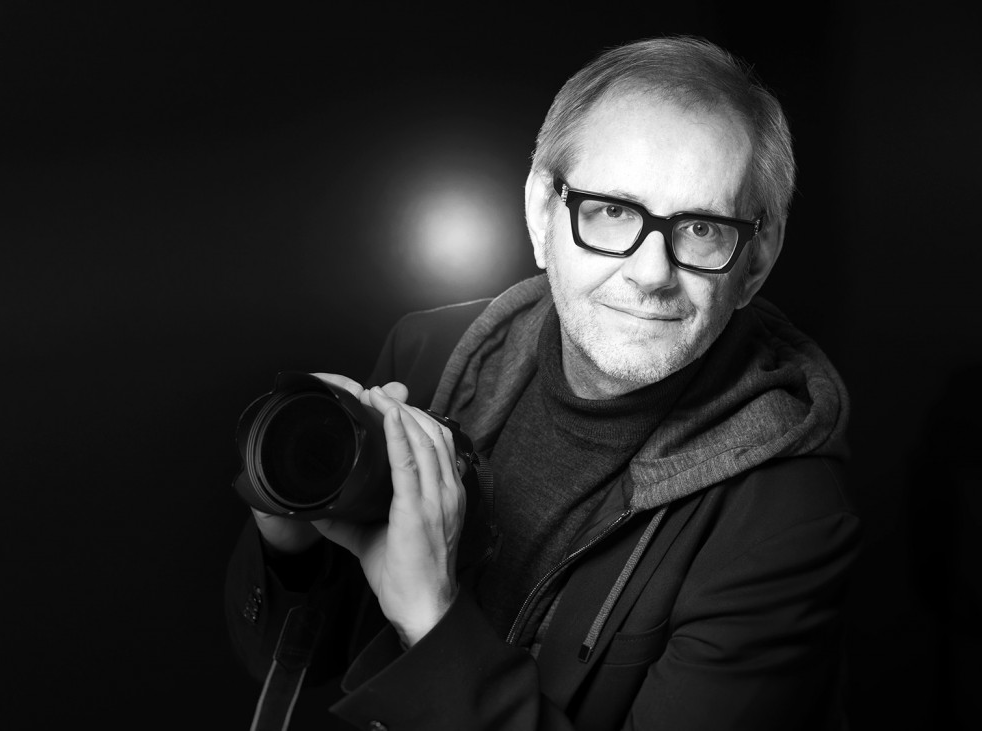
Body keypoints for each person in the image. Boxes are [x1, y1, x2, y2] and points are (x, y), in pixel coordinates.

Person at [225, 34, 861, 730]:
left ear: (757, 261)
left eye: (702, 228)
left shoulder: (786, 516)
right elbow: (292, 659)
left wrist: (432, 618)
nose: (652, 272)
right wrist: (289, 536)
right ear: (540, 213)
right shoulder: (429, 352)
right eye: (612, 211)